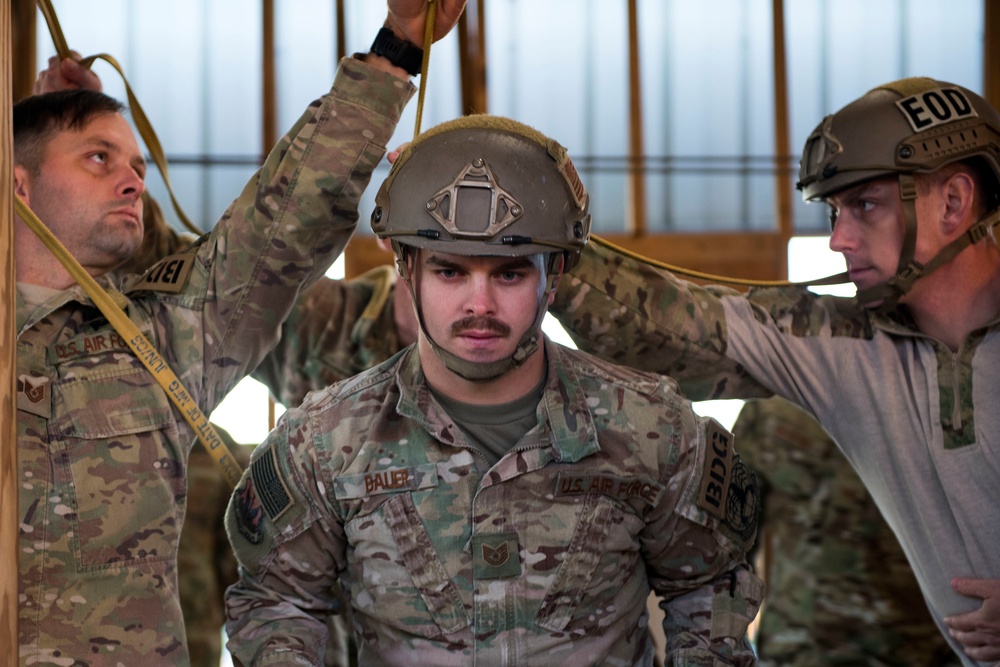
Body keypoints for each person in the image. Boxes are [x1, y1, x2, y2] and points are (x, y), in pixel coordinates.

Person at [12, 1, 466, 662]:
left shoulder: (159, 337)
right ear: (18, 185)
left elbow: (284, 220)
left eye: (136, 166)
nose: (132, 181)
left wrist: (396, 47)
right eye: (99, 158)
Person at [222, 114, 763, 666]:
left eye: (509, 274)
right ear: (405, 268)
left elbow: (712, 588)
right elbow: (277, 603)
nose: (479, 305)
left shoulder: (652, 427)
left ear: (552, 277)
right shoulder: (324, 442)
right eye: (450, 272)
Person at [548, 77, 1000, 665]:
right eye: (836, 211)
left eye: (865, 206)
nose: (839, 239)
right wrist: (537, 245)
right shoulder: (849, 346)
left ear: (953, 202)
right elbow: (670, 328)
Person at [732, 397, 961, 666]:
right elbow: (730, 549)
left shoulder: (771, 407)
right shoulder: (930, 402)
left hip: (824, 645)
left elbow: (730, 553)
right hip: (900, 646)